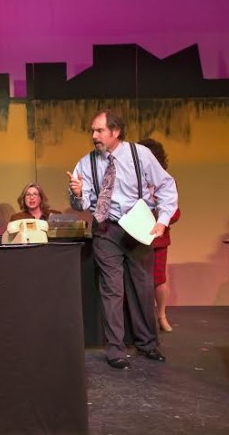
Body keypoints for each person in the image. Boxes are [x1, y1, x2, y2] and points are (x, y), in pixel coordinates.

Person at [67, 109, 178, 370]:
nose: (94, 135)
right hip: (106, 229)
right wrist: (77, 192)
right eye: (92, 131)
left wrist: (162, 220)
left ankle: (147, 344)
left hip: (138, 226)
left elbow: (166, 186)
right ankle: (115, 349)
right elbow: (81, 202)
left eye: (99, 130)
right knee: (112, 289)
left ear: (115, 132)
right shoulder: (86, 162)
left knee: (142, 287)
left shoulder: (141, 155)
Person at [138, 138, 182, 332]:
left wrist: (161, 215)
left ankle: (162, 316)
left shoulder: (165, 182)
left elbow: (175, 213)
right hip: (136, 237)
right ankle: (138, 320)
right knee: (137, 280)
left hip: (158, 239)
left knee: (158, 279)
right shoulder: (132, 182)